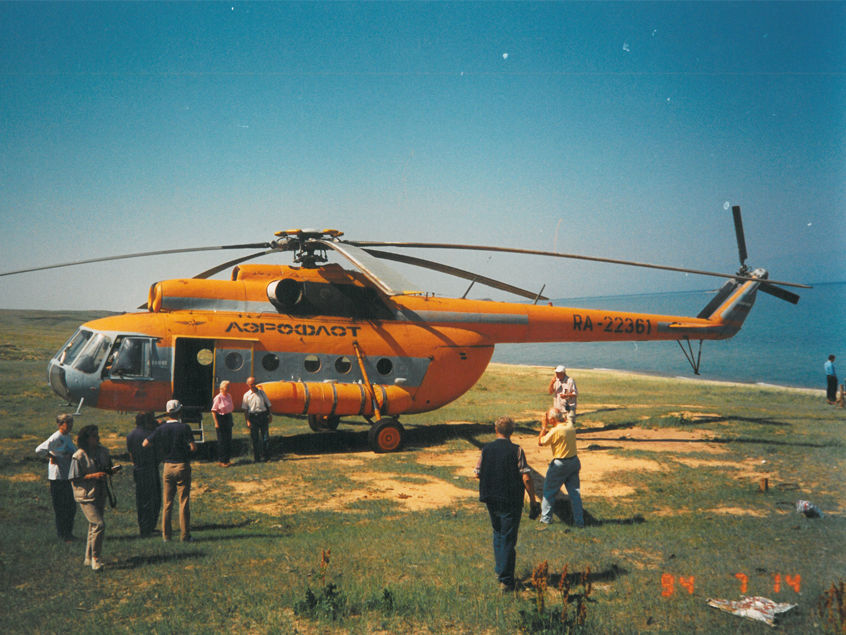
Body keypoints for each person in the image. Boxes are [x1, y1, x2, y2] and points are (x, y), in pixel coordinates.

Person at [474, 416, 538, 591]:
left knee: (498, 533)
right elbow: (526, 477)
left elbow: (477, 473)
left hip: (490, 497)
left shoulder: (486, 449)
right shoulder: (517, 450)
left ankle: (500, 570)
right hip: (510, 500)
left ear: (496, 430)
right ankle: (506, 580)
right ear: (512, 432)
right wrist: (532, 500)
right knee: (508, 537)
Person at [143, 399, 196, 542]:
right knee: (183, 501)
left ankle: (166, 536)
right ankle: (185, 535)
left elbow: (145, 443)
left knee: (167, 503)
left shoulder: (161, 429)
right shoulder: (185, 427)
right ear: (179, 412)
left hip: (167, 466)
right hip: (182, 465)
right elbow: (192, 447)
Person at [69, 424, 117, 571]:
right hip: (85, 495)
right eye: (94, 436)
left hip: (100, 492)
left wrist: (110, 471)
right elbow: (74, 477)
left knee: (93, 526)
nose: (98, 437)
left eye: (98, 435)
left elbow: (107, 467)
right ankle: (96, 559)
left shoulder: (103, 451)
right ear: (86, 439)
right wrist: (94, 476)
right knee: (99, 524)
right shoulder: (78, 456)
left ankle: (88, 557)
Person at [537, 408, 584, 528]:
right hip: (574, 461)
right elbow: (565, 418)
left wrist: (543, 427)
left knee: (549, 492)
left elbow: (541, 442)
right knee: (574, 493)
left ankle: (546, 519)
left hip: (560, 464)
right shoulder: (570, 425)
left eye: (548, 418)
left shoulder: (554, 431)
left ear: (552, 419)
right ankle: (579, 521)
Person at [35, 413, 77, 542]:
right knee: (61, 507)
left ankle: (68, 533)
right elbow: (39, 449)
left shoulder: (67, 436)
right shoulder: (56, 437)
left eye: (71, 422)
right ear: (60, 425)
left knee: (70, 506)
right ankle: (63, 534)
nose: (70, 425)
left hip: (67, 476)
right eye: (67, 423)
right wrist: (51, 457)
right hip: (58, 477)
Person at [126, 412, 161, 537]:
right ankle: (149, 527)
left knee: (141, 499)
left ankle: (143, 526)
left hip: (138, 468)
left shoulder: (130, 435)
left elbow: (131, 454)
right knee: (153, 499)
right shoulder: (149, 435)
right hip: (150, 468)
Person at [242, 377, 273, 462]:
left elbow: (269, 404)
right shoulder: (246, 395)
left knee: (265, 437)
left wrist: (270, 415)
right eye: (251, 384)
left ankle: (267, 457)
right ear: (248, 385)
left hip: (263, 416)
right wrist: (247, 421)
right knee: (255, 438)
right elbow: (245, 410)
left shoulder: (262, 393)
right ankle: (257, 458)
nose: (253, 385)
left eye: (254, 383)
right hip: (253, 418)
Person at [211, 380, 234, 466]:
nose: (228, 388)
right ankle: (222, 460)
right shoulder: (218, 398)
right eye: (227, 386)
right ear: (222, 387)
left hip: (228, 417)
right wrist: (216, 423)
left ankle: (227, 460)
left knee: (228, 439)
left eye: (229, 386)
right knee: (222, 440)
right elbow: (213, 411)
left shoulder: (229, 396)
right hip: (221, 418)